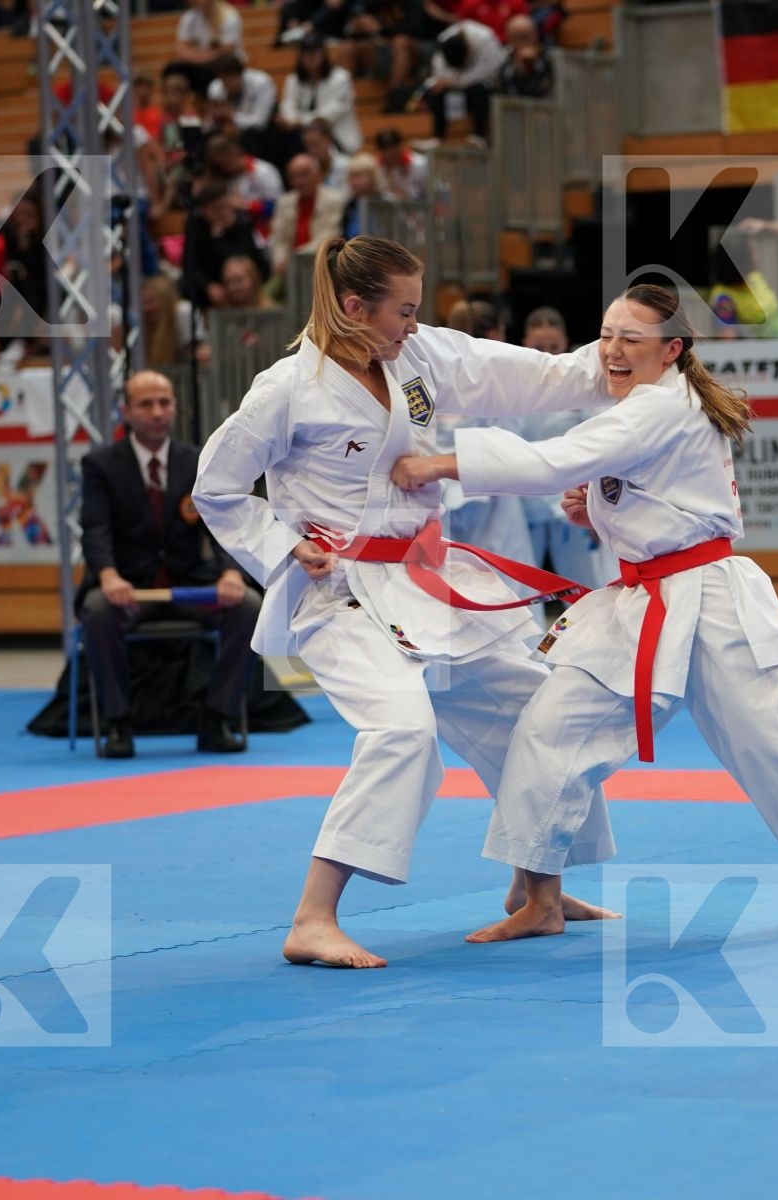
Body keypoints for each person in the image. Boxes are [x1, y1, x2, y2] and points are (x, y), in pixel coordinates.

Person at [388, 283, 778, 941]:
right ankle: (542, 901)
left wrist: (439, 464)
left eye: (629, 340)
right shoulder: (642, 403)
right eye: (606, 335)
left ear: (672, 350)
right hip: (636, 604)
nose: (610, 350)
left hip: (713, 602)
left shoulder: (662, 406)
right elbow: (622, 486)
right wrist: (599, 510)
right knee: (549, 729)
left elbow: (557, 458)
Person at [192, 235, 621, 968]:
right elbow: (217, 486)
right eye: (404, 310)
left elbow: (536, 376)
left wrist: (628, 358)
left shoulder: (418, 360)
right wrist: (280, 546)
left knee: (537, 710)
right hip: (340, 593)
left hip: (426, 581)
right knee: (401, 731)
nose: (415, 324)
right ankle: (312, 917)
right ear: (354, 308)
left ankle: (535, 886)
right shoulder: (287, 388)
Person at [81, 371, 261, 759]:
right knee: (96, 610)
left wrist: (231, 572)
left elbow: (223, 524)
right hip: (130, 586)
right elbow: (95, 529)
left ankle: (218, 717)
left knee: (248, 607)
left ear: (175, 407)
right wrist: (109, 577)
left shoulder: (196, 459)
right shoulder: (101, 465)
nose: (157, 412)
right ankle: (118, 724)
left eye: (164, 402)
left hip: (188, 584)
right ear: (126, 412)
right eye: (146, 404)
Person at [513, 307, 617, 592]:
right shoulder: (512, 385)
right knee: (518, 587)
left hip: (570, 498)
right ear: (524, 344)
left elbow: (599, 445)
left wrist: (597, 508)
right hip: (525, 500)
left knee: (588, 588)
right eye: (538, 347)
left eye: (554, 347)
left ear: (566, 344)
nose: (548, 354)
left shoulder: (584, 382)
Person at [181, 182, 270, 308]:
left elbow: (247, 261)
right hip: (214, 284)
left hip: (245, 282)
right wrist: (208, 286)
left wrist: (221, 238)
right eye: (216, 210)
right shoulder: (196, 226)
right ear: (204, 211)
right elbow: (190, 266)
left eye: (226, 206)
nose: (223, 213)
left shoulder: (242, 222)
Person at [268, 153, 346, 290]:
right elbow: (279, 239)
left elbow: (329, 237)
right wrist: (280, 260)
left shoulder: (335, 200)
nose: (299, 182)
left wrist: (294, 258)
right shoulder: (284, 202)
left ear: (318, 175)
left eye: (304, 175)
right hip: (289, 273)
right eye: (294, 177)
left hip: (324, 268)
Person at [279, 32, 362, 157]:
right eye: (307, 53)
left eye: (315, 52)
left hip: (337, 137)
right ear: (300, 56)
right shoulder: (293, 80)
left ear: (324, 54)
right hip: (301, 135)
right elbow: (288, 105)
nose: (311, 57)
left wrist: (300, 121)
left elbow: (331, 114)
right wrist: (291, 120)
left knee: (311, 136)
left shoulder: (341, 78)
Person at [421, 19, 504, 142]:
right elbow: (439, 68)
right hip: (458, 86)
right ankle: (438, 137)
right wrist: (447, 81)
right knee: (435, 90)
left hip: (482, 87)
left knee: (479, 89)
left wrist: (453, 81)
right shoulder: (444, 39)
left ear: (470, 48)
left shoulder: (485, 39)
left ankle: (479, 135)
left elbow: (488, 73)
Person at [207, 53, 277, 161]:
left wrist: (232, 117)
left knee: (252, 135)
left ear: (240, 74)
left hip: (261, 131)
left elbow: (260, 122)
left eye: (229, 78)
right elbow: (211, 120)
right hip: (228, 127)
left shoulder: (261, 83)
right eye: (222, 79)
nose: (226, 84)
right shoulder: (216, 87)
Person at [497, 12, 552, 97]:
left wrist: (531, 68)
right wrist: (519, 71)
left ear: (535, 35)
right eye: (517, 38)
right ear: (508, 39)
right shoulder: (503, 61)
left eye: (526, 37)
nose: (522, 43)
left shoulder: (550, 59)